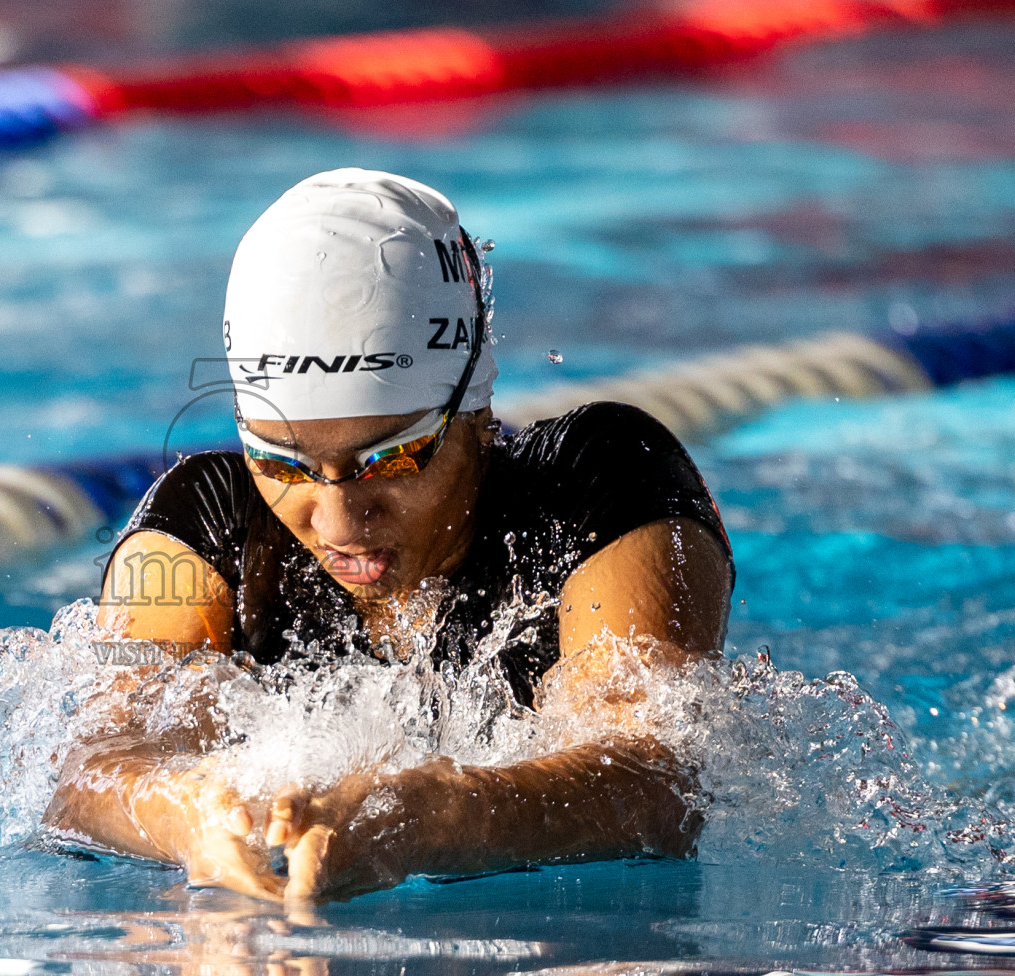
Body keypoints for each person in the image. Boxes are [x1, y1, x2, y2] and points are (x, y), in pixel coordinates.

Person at [42, 169, 734, 902]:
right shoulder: (207, 520)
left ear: (473, 409)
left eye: (390, 459)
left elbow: (655, 779)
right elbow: (91, 769)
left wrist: (429, 819)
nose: (338, 522)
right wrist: (189, 818)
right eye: (284, 464)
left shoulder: (596, 485)